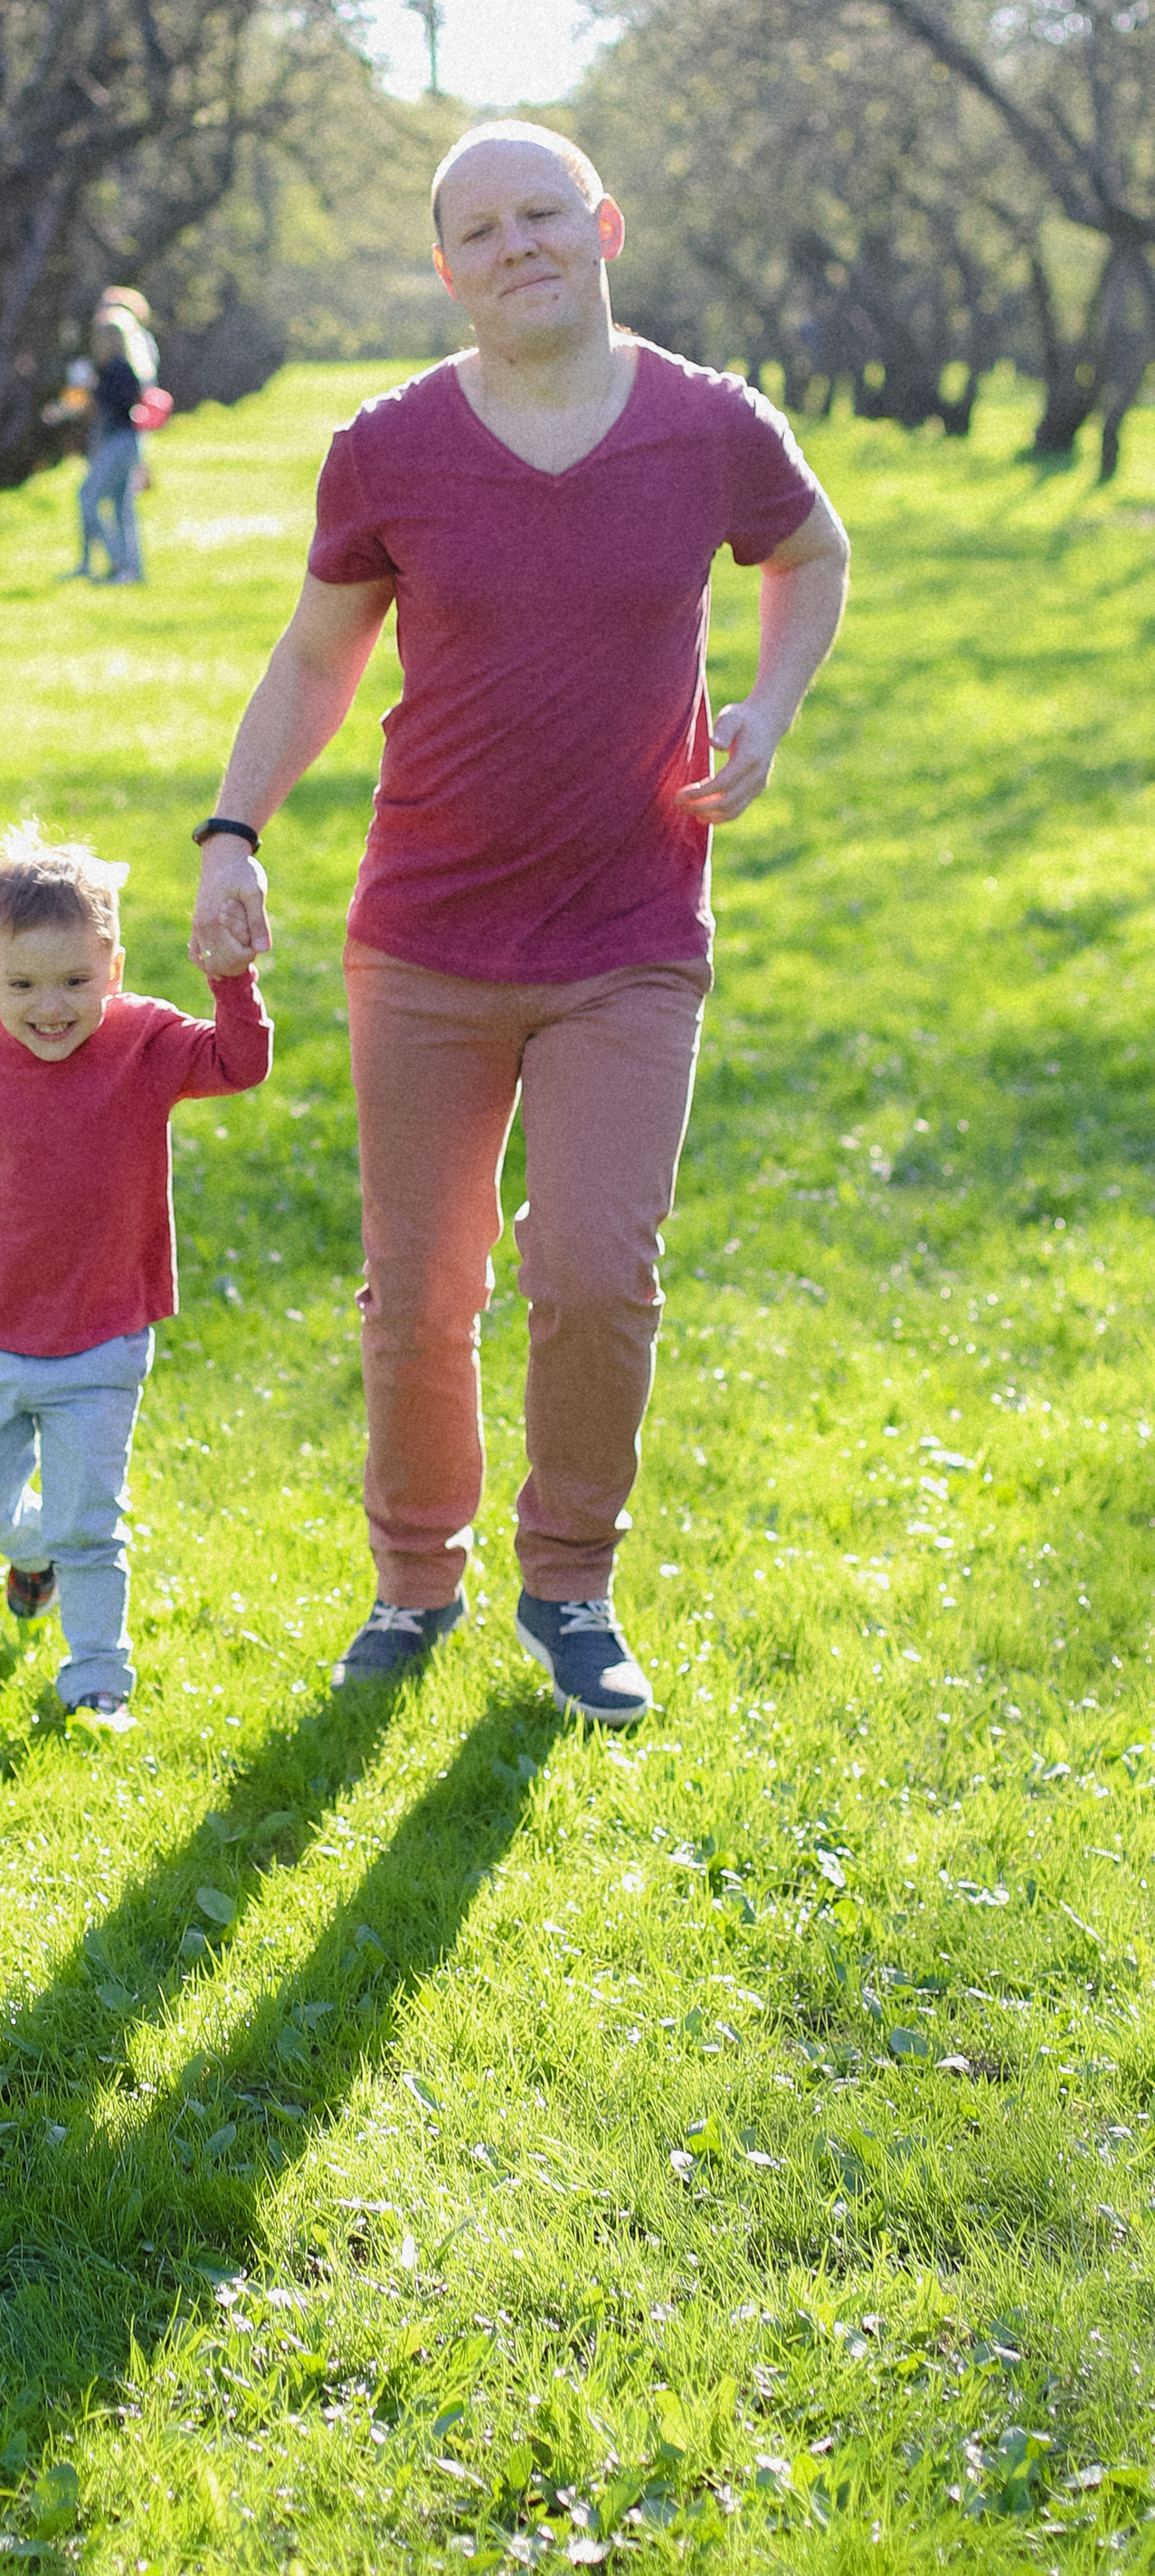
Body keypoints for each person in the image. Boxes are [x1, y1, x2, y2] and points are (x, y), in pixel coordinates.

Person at [188, 121, 849, 1726]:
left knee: (598, 1268)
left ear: (605, 224)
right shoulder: (390, 446)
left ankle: (571, 1585)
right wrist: (232, 828)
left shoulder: (710, 426)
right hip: (424, 933)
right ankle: (415, 1583)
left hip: (632, 928)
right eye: (478, 229)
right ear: (444, 267)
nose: (516, 247)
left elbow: (813, 551)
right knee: (418, 1290)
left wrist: (770, 705)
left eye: (541, 213)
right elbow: (318, 657)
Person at [0, 826, 270, 1726]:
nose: (50, 1008)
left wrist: (232, 979)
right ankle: (37, 1552)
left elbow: (240, 1063)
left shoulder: (145, 1043)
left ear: (112, 968)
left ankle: (96, 1676)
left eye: (74, 982)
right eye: (24, 986)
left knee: (92, 1519)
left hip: (105, 1329)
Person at [62, 314, 151, 584]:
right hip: (121, 441)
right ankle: (129, 571)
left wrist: (93, 390)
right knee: (119, 506)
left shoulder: (119, 370)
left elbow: (120, 404)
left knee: (88, 497)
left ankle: (120, 563)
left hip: (121, 441)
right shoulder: (110, 370)